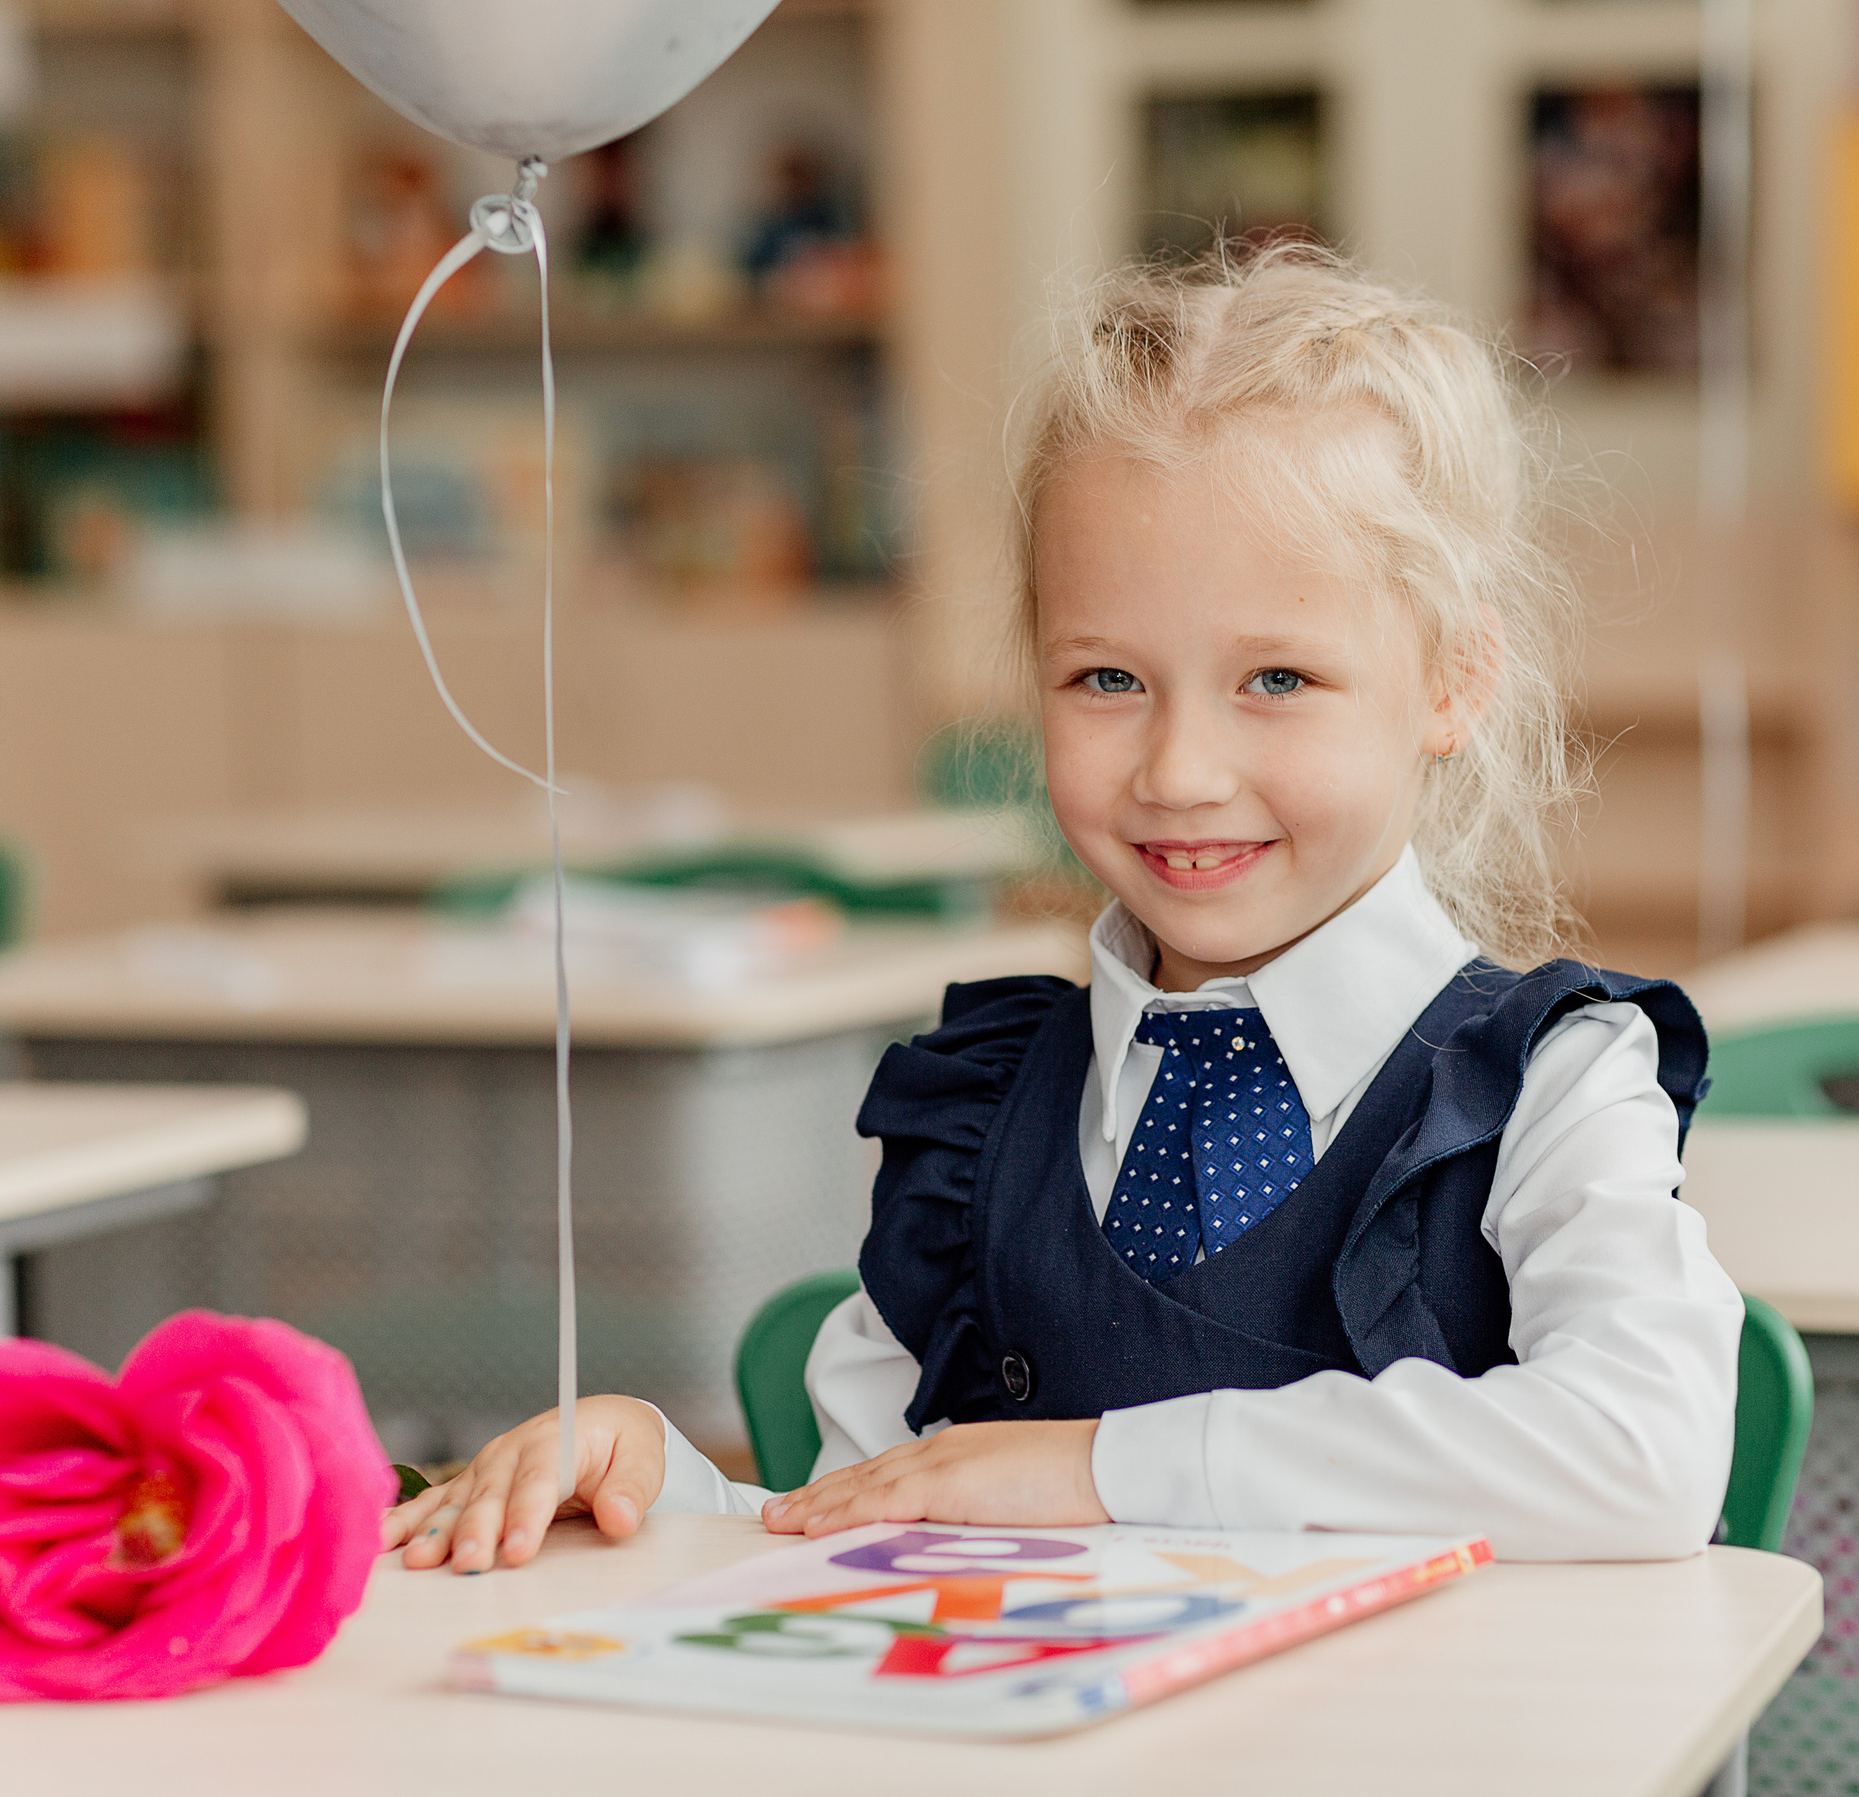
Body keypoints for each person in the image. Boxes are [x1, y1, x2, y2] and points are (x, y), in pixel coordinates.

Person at [383, 241, 1743, 1574]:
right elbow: (857, 1515)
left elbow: (1647, 1449)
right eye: (1107, 679)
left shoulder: (1551, 1083)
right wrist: (663, 1480)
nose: (1180, 770)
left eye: (1277, 679)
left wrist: (1102, 1467)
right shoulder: (986, 1116)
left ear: (1452, 679)